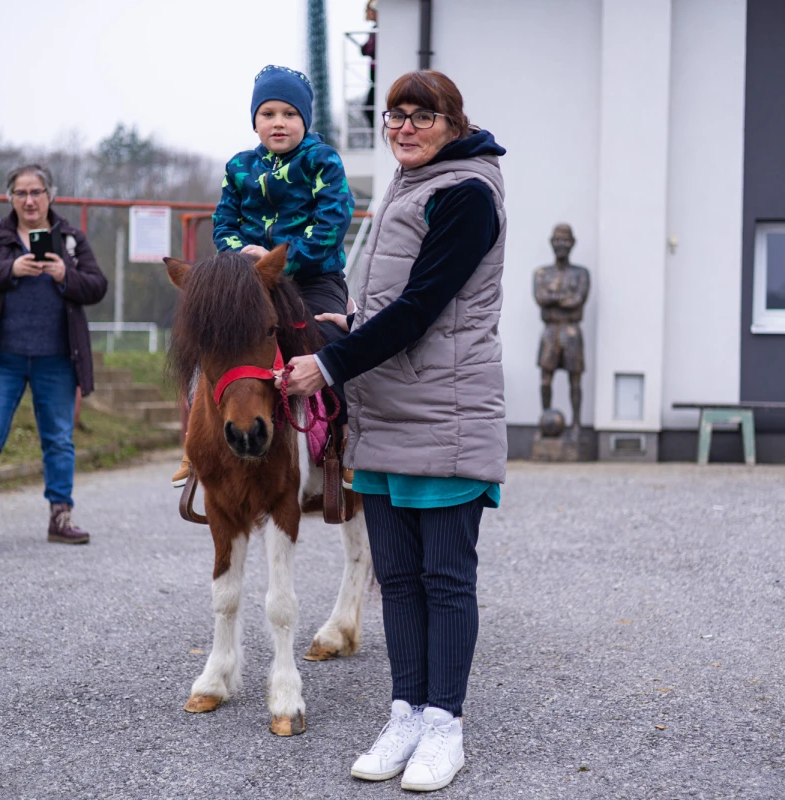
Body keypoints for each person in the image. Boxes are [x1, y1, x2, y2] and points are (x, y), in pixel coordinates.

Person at [280, 70, 507, 793]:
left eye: (422, 115)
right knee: (399, 581)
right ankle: (405, 711)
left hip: (445, 415)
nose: (405, 127)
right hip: (387, 413)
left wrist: (331, 363)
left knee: (444, 579)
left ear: (451, 121)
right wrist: (351, 322)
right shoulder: (407, 187)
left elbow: (422, 308)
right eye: (395, 116)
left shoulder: (467, 193)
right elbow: (388, 302)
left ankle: (446, 726)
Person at [170, 63, 355, 489]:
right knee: (212, 342)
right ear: (254, 120)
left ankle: (345, 438)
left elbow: (331, 222)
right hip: (250, 284)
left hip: (312, 278)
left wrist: (279, 263)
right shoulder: (238, 167)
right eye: (268, 113)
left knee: (333, 340)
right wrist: (244, 264)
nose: (278, 123)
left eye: (289, 114)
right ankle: (194, 440)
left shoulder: (322, 161)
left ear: (304, 120)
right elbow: (223, 224)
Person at [0, 164, 108, 548]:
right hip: (1, 359)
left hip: (56, 359)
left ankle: (61, 517)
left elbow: (97, 286)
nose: (30, 200)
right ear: (11, 198)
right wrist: (10, 269)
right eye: (21, 193)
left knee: (59, 440)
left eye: (37, 192)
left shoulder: (69, 239)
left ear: (50, 196)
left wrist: (63, 274)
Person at [533, 223, 591, 434]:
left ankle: (576, 425)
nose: (561, 245)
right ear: (551, 242)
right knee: (545, 379)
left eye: (566, 240)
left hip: (572, 331)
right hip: (550, 331)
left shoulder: (581, 274)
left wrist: (554, 299)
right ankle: (545, 422)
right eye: (558, 240)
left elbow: (577, 300)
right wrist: (562, 299)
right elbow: (541, 298)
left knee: (575, 379)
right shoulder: (541, 273)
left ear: (572, 243)